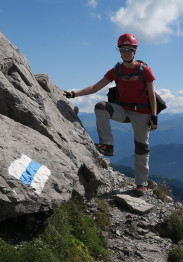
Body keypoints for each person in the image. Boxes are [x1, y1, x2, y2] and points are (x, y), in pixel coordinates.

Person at [64, 33, 158, 196]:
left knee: (141, 147)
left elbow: (151, 95)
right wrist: (74, 94)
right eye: (123, 50)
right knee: (101, 107)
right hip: (123, 110)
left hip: (142, 113)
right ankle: (107, 144)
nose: (126, 52)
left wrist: (154, 117)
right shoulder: (116, 70)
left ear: (134, 51)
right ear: (120, 52)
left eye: (129, 49)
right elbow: (95, 87)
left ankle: (141, 184)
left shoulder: (145, 71)